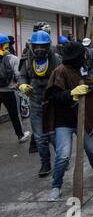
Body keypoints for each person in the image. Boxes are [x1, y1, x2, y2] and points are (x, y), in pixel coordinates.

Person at [43, 42, 93, 201]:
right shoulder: (59, 72)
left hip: (82, 118)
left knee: (92, 148)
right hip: (64, 121)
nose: (84, 58)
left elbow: (91, 82)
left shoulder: (82, 70)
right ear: (75, 56)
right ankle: (56, 186)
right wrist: (70, 93)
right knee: (63, 155)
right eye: (82, 55)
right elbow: (55, 96)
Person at [19, 30, 61, 177]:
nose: (39, 49)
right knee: (39, 137)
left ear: (48, 45)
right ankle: (45, 163)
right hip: (36, 103)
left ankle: (62, 160)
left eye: (43, 46)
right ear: (32, 46)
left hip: (53, 103)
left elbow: (63, 76)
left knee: (55, 136)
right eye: (36, 46)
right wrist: (23, 85)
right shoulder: (27, 59)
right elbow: (23, 76)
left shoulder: (56, 59)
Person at [0, 33, 31, 143]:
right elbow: (18, 74)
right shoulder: (12, 58)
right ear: (6, 45)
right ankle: (21, 135)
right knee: (15, 114)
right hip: (9, 91)